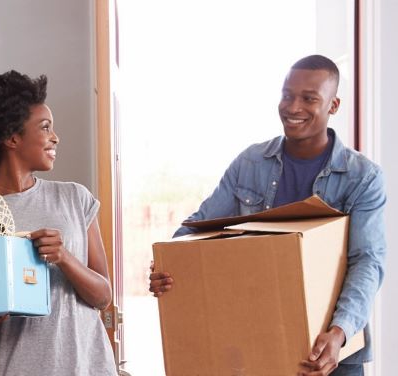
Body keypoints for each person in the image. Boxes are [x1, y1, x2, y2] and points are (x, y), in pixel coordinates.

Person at [149, 55, 386, 376]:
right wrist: (169, 265)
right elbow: (199, 229)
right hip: (262, 337)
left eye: (309, 98)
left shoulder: (362, 176)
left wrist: (339, 332)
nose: (293, 107)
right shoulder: (251, 163)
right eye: (287, 95)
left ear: (333, 105)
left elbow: (367, 260)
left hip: (333, 353)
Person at [0, 70, 117, 376]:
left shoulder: (75, 198)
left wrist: (64, 257)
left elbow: (103, 297)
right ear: (12, 137)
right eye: (45, 128)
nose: (55, 137)